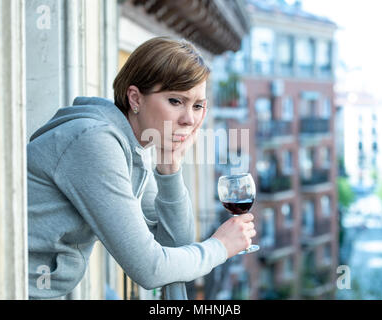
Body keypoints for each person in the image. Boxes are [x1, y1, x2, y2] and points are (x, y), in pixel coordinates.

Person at [27, 36, 256, 300]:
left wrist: (170, 168)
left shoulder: (133, 148)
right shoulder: (93, 141)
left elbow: (173, 244)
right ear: (135, 98)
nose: (189, 119)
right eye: (175, 101)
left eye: (197, 106)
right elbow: (150, 269)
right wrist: (220, 247)